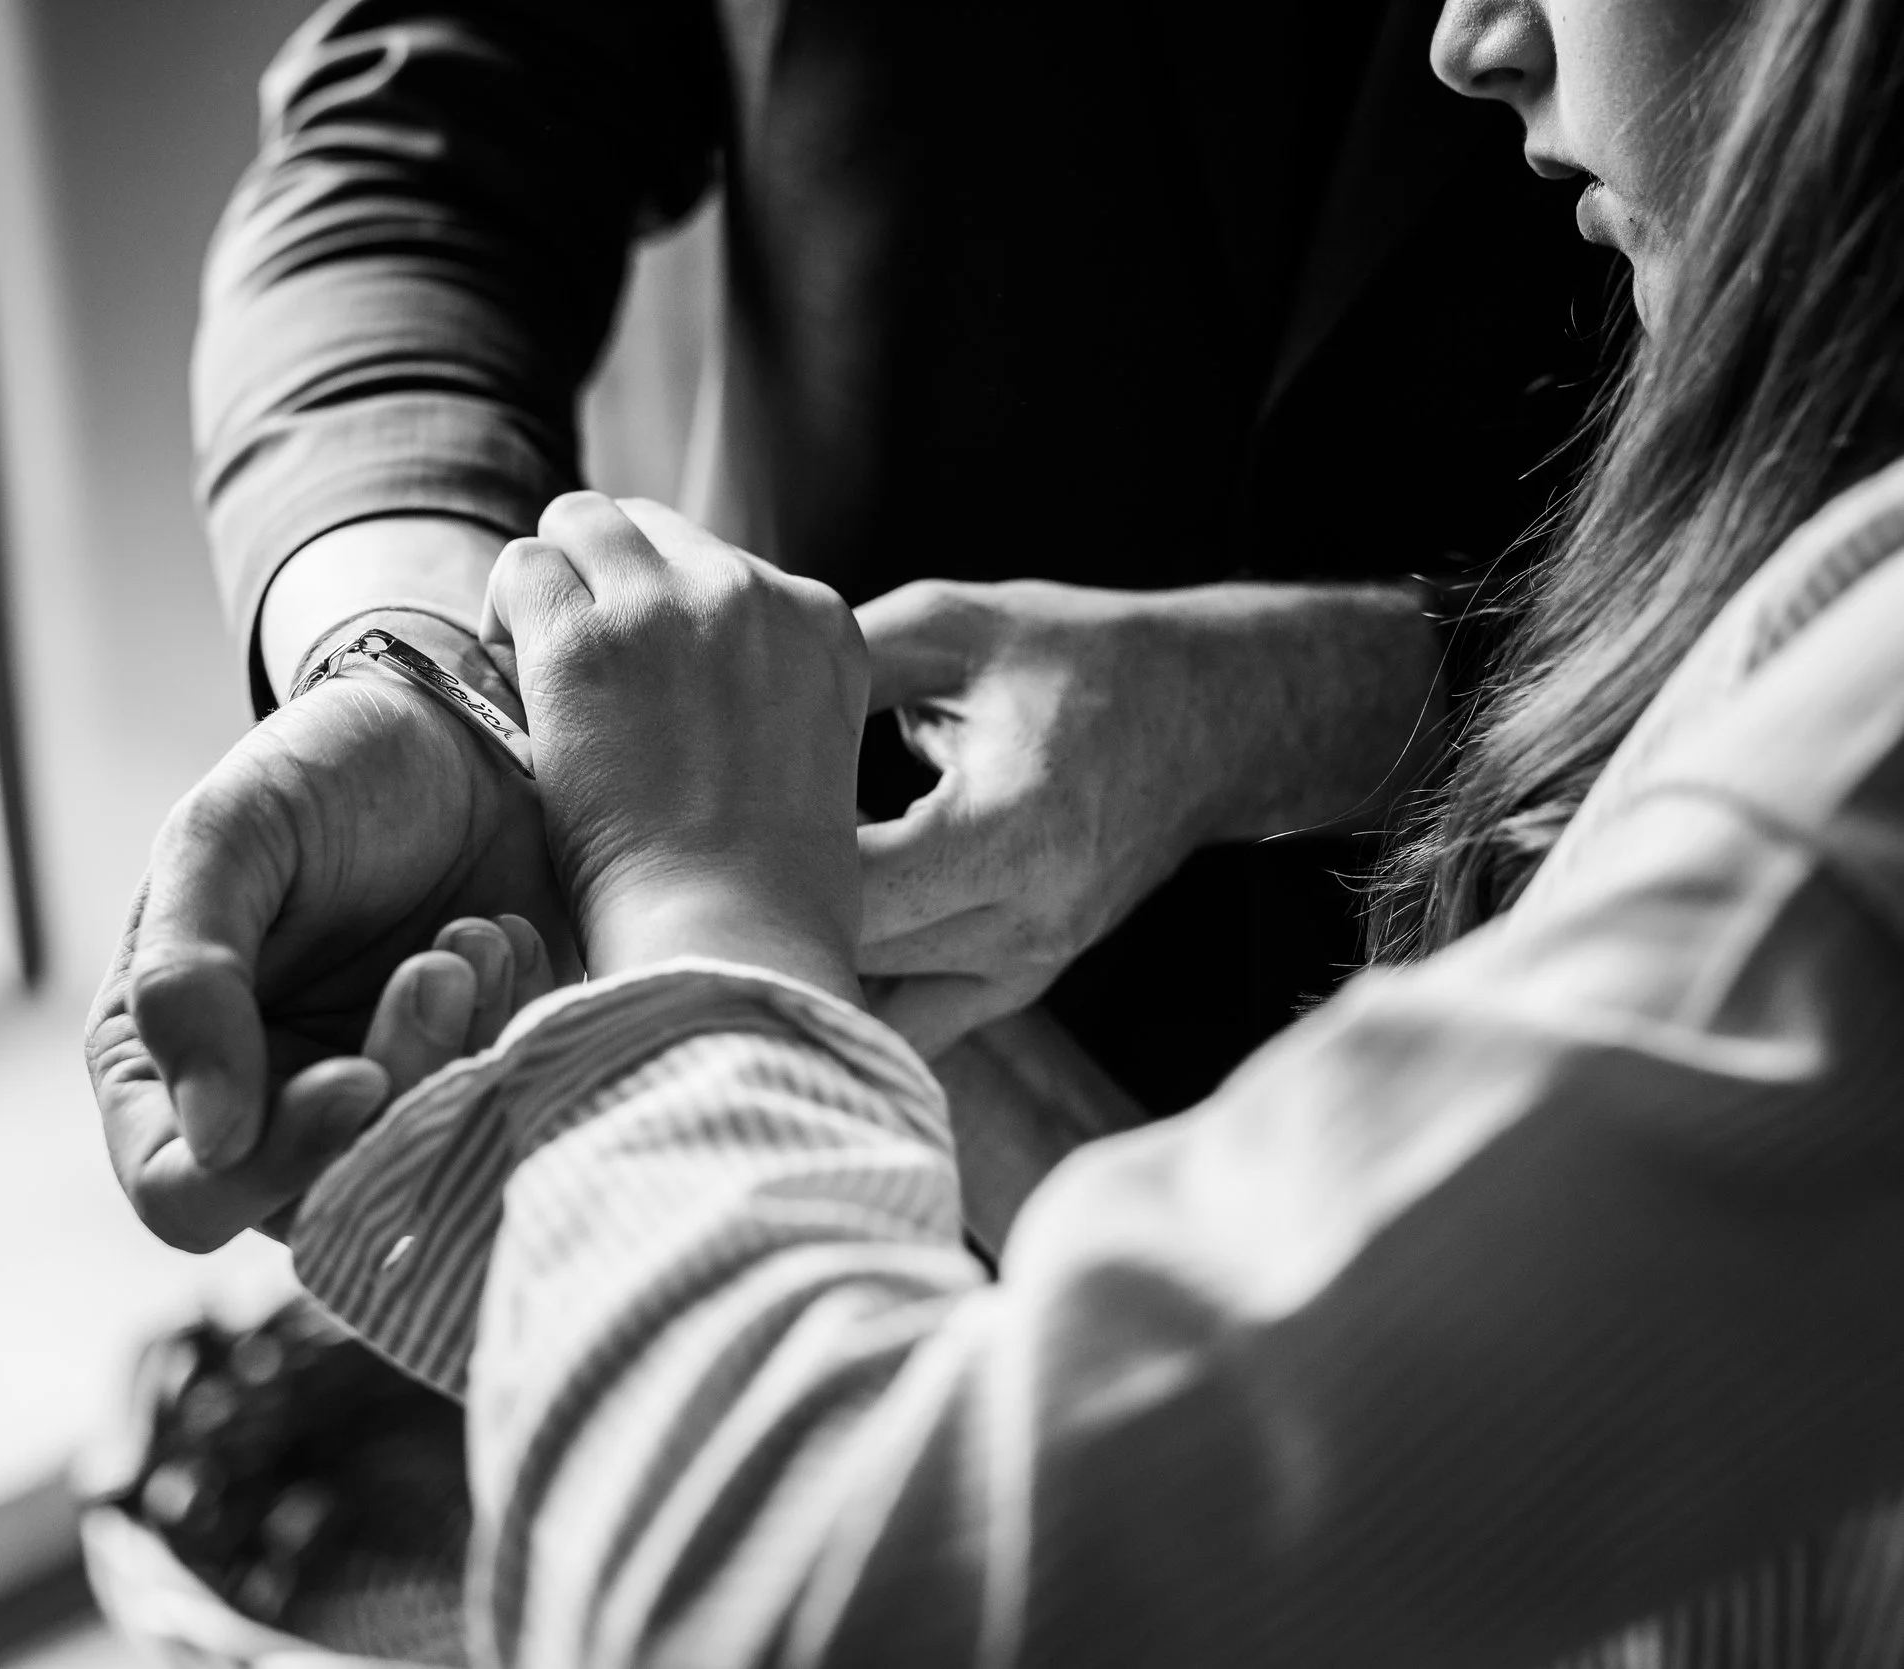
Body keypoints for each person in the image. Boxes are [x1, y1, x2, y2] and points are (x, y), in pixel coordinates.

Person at [278, 0, 1904, 1661]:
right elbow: (421, 123)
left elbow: (768, 1597)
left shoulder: (1834, 821)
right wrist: (452, 709)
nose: (1463, 40)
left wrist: (687, 897)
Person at [85, 0, 1619, 1260]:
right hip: (808, 1081)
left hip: (1565, 1094)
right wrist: (418, 664)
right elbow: (415, 139)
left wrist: (1322, 705)